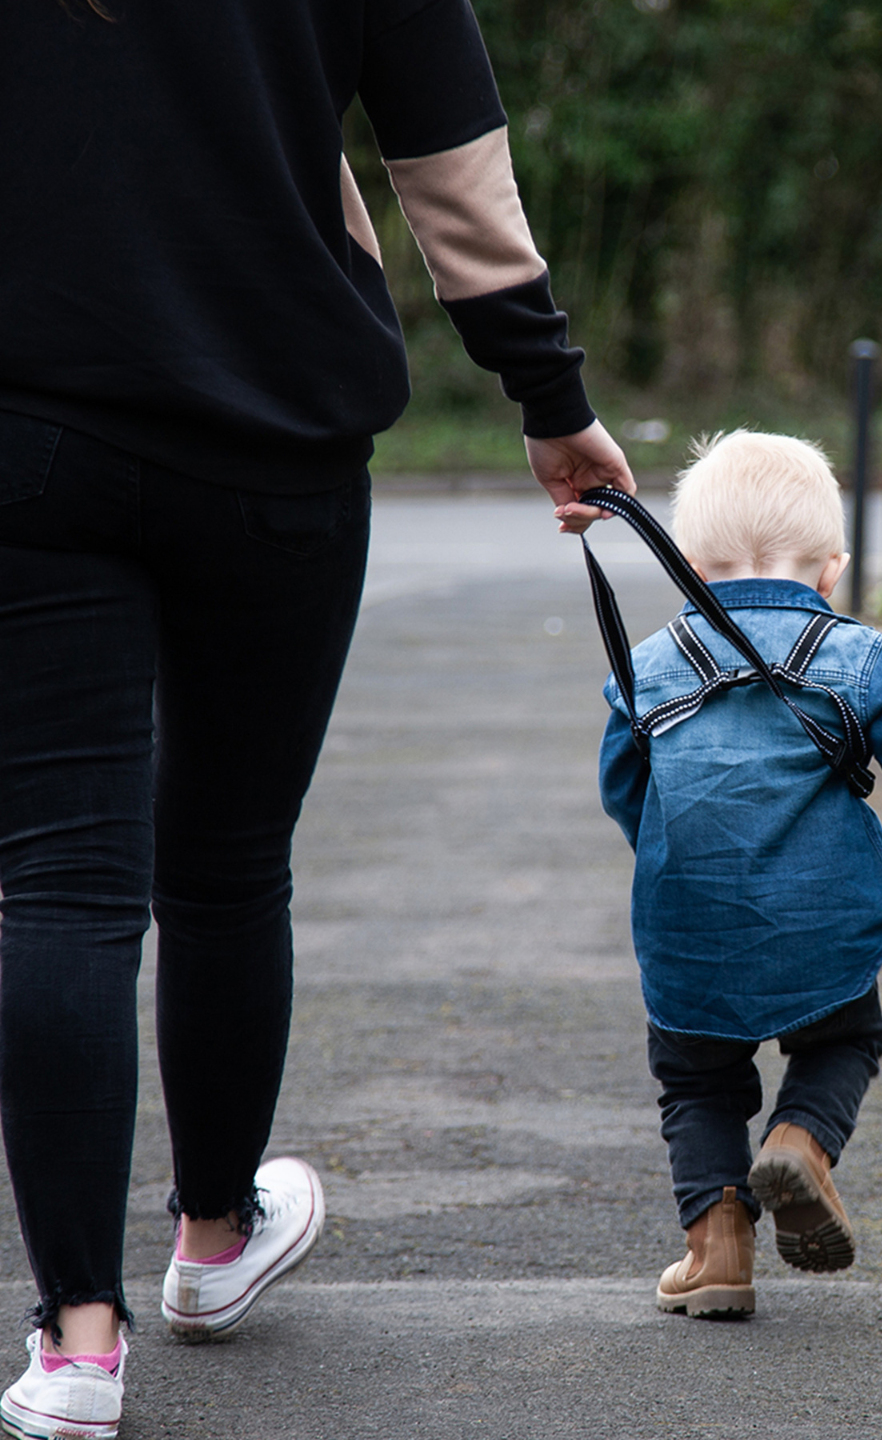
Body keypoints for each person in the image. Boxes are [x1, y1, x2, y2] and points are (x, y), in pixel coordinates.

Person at [0, 1, 632, 1435]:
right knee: (223, 861)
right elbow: (450, 171)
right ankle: (215, 1246)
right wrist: (551, 397)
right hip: (275, 437)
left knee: (57, 878)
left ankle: (78, 1349)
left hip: (30, 434)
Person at [596, 431, 882, 1319]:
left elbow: (625, 792)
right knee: (843, 1039)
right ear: (831, 571)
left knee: (697, 1079)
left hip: (688, 925)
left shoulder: (648, 665)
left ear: (689, 564)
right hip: (824, 927)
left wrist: (676, 858)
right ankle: (802, 1142)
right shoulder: (860, 659)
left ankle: (717, 1250)